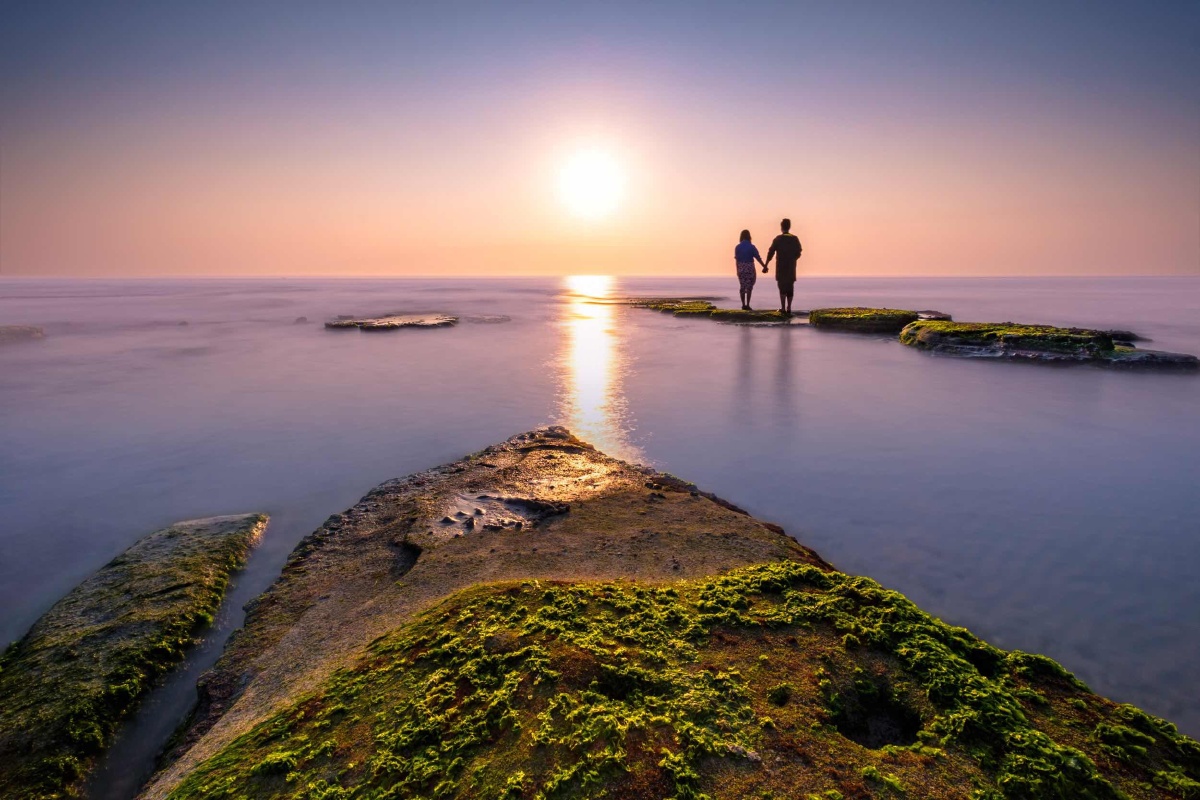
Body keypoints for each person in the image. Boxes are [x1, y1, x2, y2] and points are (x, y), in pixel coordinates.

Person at [764, 218, 803, 315]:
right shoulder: (794, 239)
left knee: (782, 286)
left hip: (781, 266)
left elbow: (771, 252)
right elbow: (799, 252)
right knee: (790, 286)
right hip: (791, 266)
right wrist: (793, 259)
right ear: (789, 227)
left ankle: (782, 308)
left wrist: (766, 265)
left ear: (781, 227)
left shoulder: (778, 239)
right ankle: (789, 307)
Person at [733, 229, 766, 310]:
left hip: (740, 267)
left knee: (742, 286)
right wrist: (764, 266)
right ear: (749, 237)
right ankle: (747, 304)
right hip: (749, 267)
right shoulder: (752, 247)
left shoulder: (737, 247)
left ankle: (743, 305)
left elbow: (737, 260)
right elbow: (758, 258)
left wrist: (737, 270)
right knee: (749, 286)